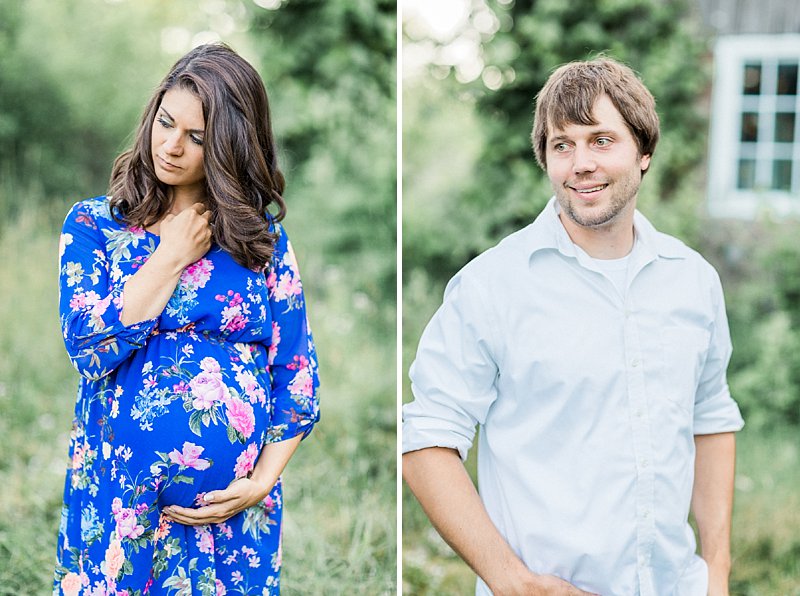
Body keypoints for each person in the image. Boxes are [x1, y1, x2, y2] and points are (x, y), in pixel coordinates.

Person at [403, 57, 744, 596]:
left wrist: (717, 574)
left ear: (644, 151)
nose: (580, 162)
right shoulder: (491, 286)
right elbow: (426, 443)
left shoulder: (693, 281)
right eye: (563, 145)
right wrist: (512, 582)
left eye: (601, 139)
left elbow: (711, 419)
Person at [54, 43, 320, 595]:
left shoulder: (262, 244)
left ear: (229, 147)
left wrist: (260, 483)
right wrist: (170, 256)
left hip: (231, 526)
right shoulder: (93, 227)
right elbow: (86, 346)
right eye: (165, 122)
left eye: (196, 137)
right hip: (121, 513)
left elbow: (297, 377)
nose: (171, 146)